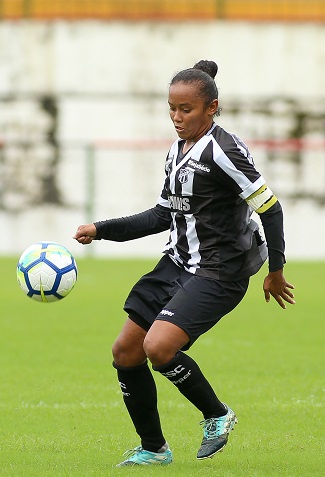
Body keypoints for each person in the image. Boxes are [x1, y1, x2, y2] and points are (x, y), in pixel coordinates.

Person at [73, 60, 295, 466]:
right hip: (176, 264)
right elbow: (162, 215)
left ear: (212, 108)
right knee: (126, 351)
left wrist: (275, 270)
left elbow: (271, 207)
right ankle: (154, 449)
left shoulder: (224, 151)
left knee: (158, 347)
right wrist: (100, 229)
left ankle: (218, 415)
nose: (177, 117)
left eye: (186, 109)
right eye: (172, 109)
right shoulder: (178, 150)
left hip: (219, 272)